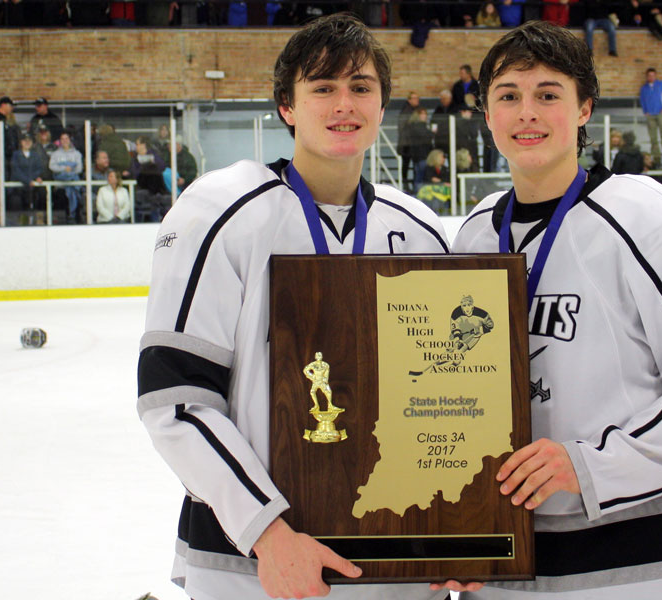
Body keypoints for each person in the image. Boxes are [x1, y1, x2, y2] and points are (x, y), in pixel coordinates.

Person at [136, 15, 451, 600]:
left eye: (361, 87)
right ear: (287, 105)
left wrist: (456, 529)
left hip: (396, 564)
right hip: (257, 566)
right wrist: (268, 533)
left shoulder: (420, 231)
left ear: (383, 106)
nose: (344, 104)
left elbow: (444, 398)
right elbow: (175, 398)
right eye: (322, 87)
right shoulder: (220, 210)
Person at [453, 21, 662, 598]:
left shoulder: (647, 217)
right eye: (508, 96)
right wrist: (452, 531)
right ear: (486, 113)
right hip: (503, 566)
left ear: (585, 108)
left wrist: (588, 466)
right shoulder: (474, 233)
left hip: (646, 570)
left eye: (548, 95)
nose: (528, 113)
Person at [49, 132, 84, 223]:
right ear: (60, 141)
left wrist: (69, 170)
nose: (64, 141)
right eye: (62, 139)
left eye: (66, 138)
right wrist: (65, 168)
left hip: (72, 184)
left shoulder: (77, 153)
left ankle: (73, 215)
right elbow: (52, 167)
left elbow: (79, 168)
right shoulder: (55, 154)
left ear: (69, 140)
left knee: (74, 191)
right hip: (61, 185)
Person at [639, 67, 662, 166]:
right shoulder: (644, 88)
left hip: (661, 113)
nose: (651, 77)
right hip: (650, 115)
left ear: (655, 75)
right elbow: (642, 100)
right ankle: (657, 160)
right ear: (647, 76)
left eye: (653, 75)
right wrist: (645, 111)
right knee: (653, 139)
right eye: (649, 75)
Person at [10, 132, 46, 215]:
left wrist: (36, 177)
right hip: (18, 188)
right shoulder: (15, 155)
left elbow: (39, 169)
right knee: (16, 203)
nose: (27, 142)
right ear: (21, 142)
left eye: (29, 140)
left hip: (32, 188)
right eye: (24, 140)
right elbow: (16, 171)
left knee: (42, 195)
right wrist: (28, 180)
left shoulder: (36, 155)